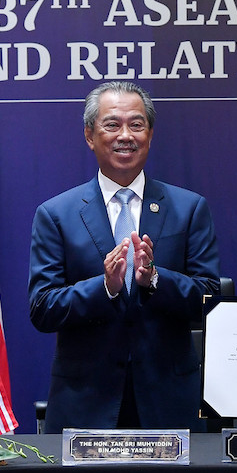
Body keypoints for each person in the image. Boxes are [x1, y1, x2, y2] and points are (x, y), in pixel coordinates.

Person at [28, 82, 220, 432]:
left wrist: (155, 280)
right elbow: (43, 307)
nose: (125, 135)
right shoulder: (56, 214)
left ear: (150, 133)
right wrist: (105, 288)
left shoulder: (189, 208)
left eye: (136, 124)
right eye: (112, 125)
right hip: (85, 403)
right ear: (90, 135)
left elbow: (210, 299)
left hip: (169, 401)